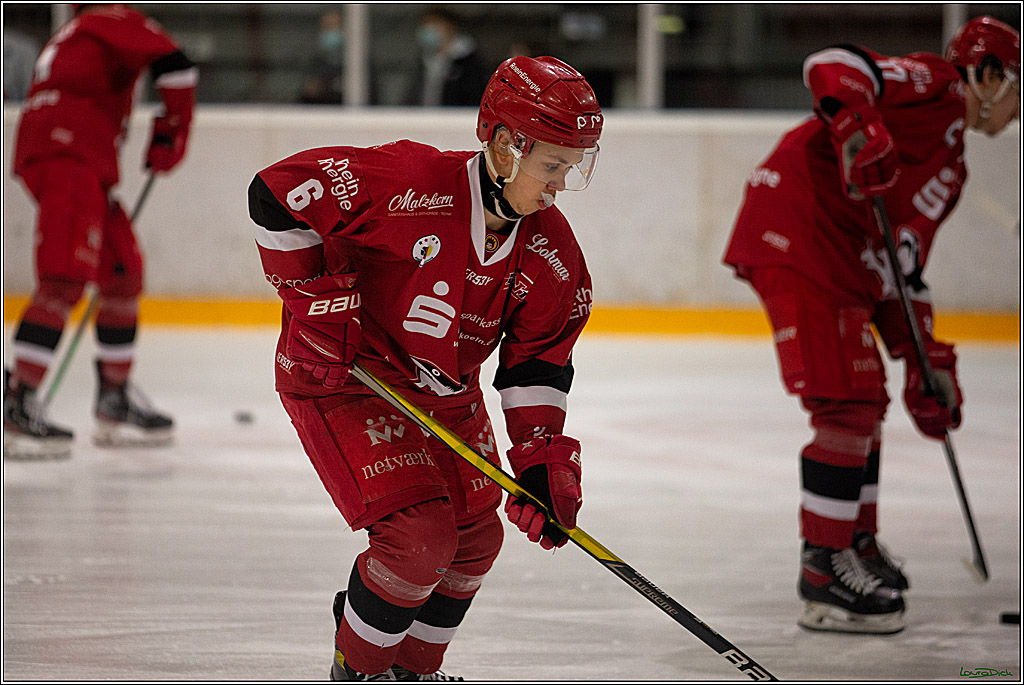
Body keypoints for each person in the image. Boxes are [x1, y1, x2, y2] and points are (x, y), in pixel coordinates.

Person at [248, 55, 602, 679]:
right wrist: (314, 304)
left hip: (448, 395)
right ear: (504, 143)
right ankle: (359, 671)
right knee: (417, 543)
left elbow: (537, 363)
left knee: (474, 543)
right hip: (348, 378)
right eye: (553, 165)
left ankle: (412, 671)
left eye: (573, 168)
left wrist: (541, 455)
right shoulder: (410, 181)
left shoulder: (552, 251)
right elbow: (276, 193)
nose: (560, 186)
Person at [723, 16, 1019, 635]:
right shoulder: (937, 83)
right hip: (800, 226)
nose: (1016, 112)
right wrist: (859, 126)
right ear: (988, 74)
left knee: (868, 401)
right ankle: (824, 570)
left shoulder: (953, 168)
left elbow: (903, 266)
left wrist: (925, 360)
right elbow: (833, 63)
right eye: (1017, 89)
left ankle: (854, 542)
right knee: (845, 403)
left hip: (845, 252)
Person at [3, 3, 198, 460]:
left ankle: (114, 396)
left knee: (121, 272)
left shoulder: (78, 32)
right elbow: (176, 66)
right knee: (64, 277)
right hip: (71, 154)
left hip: (69, 155)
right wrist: (174, 131)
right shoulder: (110, 19)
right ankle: (18, 400)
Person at [404, 8, 489, 107]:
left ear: (449, 26)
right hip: (424, 120)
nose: (428, 29)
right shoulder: (424, 60)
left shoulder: (469, 63)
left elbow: (474, 98)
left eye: (434, 24)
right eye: (425, 24)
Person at [298, 8, 346, 104]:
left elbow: (371, 100)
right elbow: (302, 102)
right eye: (327, 27)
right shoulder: (314, 64)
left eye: (334, 27)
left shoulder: (359, 64)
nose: (331, 32)